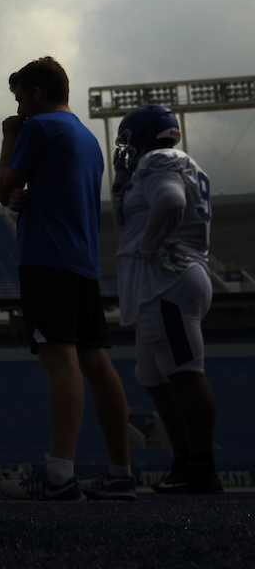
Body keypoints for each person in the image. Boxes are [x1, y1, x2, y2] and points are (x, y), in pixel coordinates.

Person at [0, 57, 133, 501]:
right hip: (83, 260)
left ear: (37, 93)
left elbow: (2, 186)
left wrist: (9, 135)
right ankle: (120, 472)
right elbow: (44, 190)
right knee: (97, 362)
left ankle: (57, 474)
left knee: (60, 360)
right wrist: (26, 196)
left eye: (20, 98)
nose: (19, 108)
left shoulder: (37, 128)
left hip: (46, 258)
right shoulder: (88, 138)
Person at [111, 105, 221, 493]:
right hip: (162, 282)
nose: (124, 149)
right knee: (154, 377)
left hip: (167, 279)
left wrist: (149, 244)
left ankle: (202, 469)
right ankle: (184, 462)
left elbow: (172, 202)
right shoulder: (176, 161)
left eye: (127, 140)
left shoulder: (160, 159)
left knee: (186, 373)